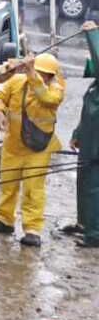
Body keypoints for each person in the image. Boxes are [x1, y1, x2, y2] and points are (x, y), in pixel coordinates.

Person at [0, 53, 65, 247]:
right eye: (39, 72)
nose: (42, 76)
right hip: (14, 145)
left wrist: (32, 72)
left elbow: (47, 98)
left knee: (33, 189)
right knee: (8, 185)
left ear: (52, 76)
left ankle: (32, 229)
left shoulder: (55, 89)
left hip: (38, 150)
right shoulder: (17, 81)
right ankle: (4, 219)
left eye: (45, 74)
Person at [64, 20, 99, 248]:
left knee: (95, 189)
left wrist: (93, 35)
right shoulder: (95, 87)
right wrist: (77, 133)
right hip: (89, 144)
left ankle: (95, 234)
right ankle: (84, 224)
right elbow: (87, 114)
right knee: (84, 183)